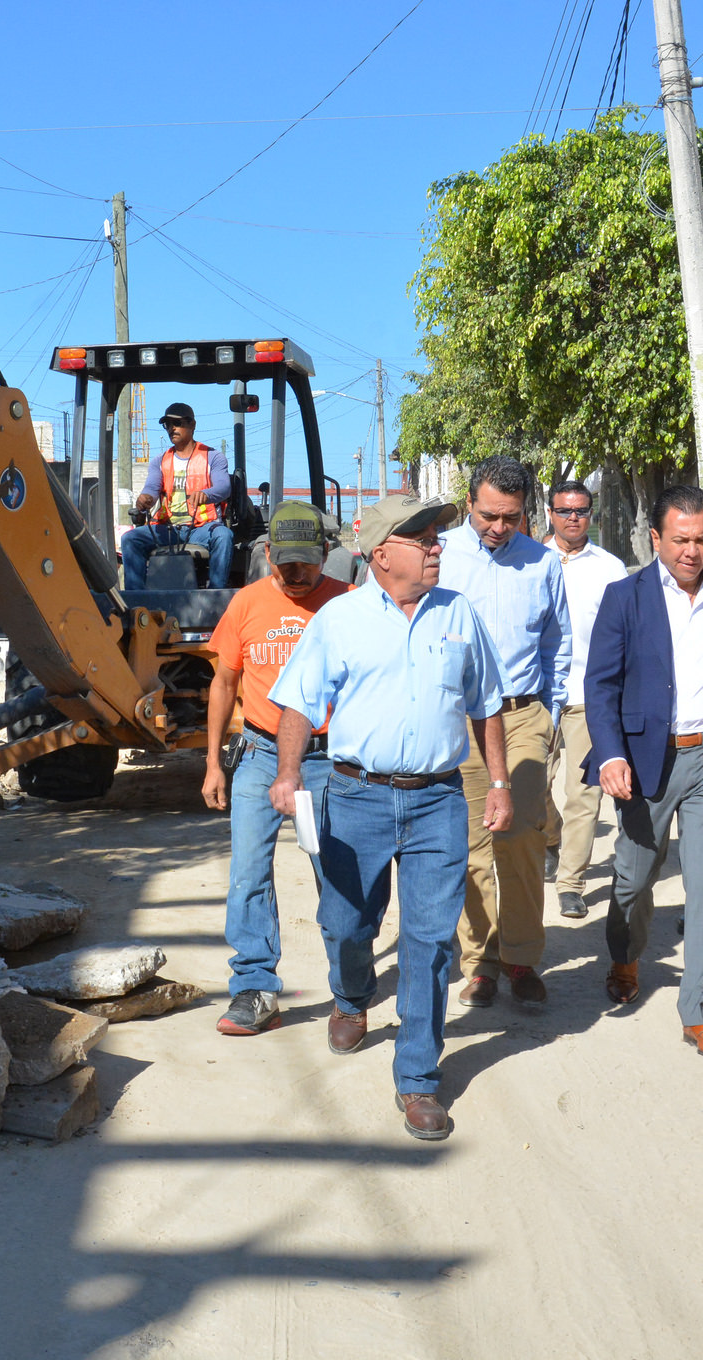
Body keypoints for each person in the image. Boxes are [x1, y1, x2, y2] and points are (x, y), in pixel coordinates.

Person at [268, 493, 511, 1141]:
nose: (437, 547)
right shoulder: (339, 619)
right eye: (423, 538)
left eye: (437, 538)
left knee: (430, 942)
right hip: (355, 796)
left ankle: (418, 1078)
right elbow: (297, 702)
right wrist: (289, 773)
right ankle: (352, 996)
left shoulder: (459, 614)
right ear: (381, 554)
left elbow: (487, 704)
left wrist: (501, 781)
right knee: (347, 922)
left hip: (437, 800)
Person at [583, 485, 703, 1062]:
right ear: (656, 538)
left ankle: (701, 1010)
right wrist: (610, 754)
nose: (692, 551)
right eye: (680, 540)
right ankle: (626, 956)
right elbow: (601, 685)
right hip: (644, 759)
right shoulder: (624, 597)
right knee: (634, 879)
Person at [202, 501, 351, 1036]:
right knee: (247, 875)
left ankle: (348, 989)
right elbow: (222, 683)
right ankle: (255, 988)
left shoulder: (346, 604)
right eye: (285, 562)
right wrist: (213, 762)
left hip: (329, 761)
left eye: (307, 563)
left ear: (326, 555)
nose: (296, 573)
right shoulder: (245, 604)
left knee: (335, 874)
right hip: (260, 757)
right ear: (268, 555)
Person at [437, 457, 569, 1007]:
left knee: (519, 839)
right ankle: (480, 964)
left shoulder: (543, 563)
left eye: (510, 518)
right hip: (459, 719)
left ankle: (520, 960)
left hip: (521, 716)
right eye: (489, 514)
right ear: (469, 502)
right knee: (470, 846)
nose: (498, 527)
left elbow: (556, 644)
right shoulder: (438, 555)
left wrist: (551, 713)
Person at [538, 478, 627, 921]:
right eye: (565, 510)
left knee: (584, 794)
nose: (573, 517)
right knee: (531, 788)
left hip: (589, 698)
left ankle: (571, 881)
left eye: (581, 510)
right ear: (549, 513)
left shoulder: (610, 568)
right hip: (536, 696)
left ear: (591, 515)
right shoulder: (529, 561)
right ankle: (550, 839)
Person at [121, 402, 234, 589]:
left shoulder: (213, 457)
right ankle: (137, 602)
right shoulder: (160, 461)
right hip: (168, 529)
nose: (172, 428)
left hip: (202, 528)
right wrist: (146, 499)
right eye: (167, 424)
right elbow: (151, 487)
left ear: (192, 425)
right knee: (130, 539)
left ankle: (215, 595)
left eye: (177, 423)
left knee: (224, 535)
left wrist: (206, 494)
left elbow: (223, 487)